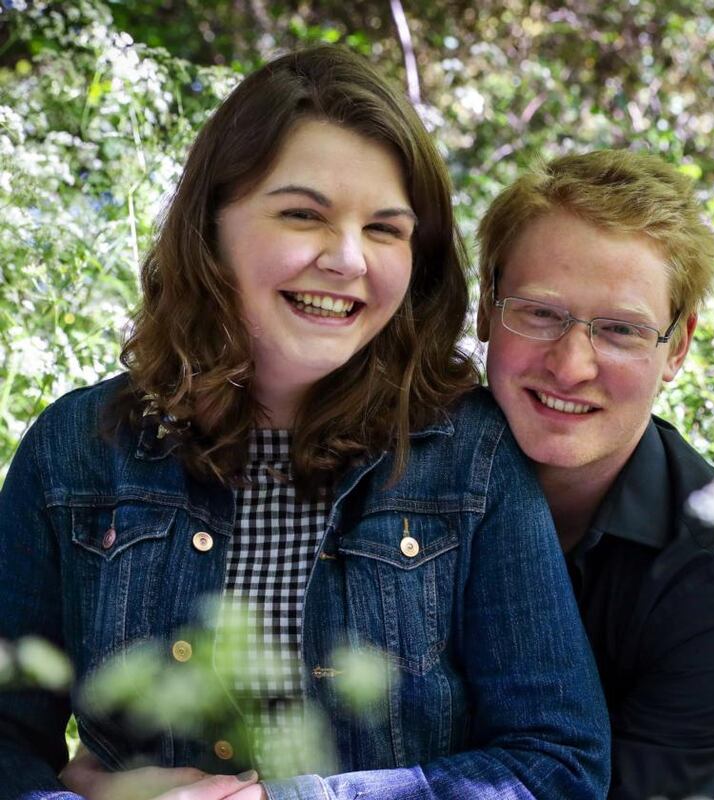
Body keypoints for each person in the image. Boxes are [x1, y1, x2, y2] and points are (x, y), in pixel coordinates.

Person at [0, 47, 610, 800]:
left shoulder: (471, 455)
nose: (349, 260)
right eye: (302, 214)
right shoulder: (76, 449)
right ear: (211, 225)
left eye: (385, 229)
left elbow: (559, 762)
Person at [477, 149, 714, 800]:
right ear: (487, 309)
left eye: (621, 330)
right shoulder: (408, 468)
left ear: (677, 348)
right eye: (540, 312)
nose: (570, 367)